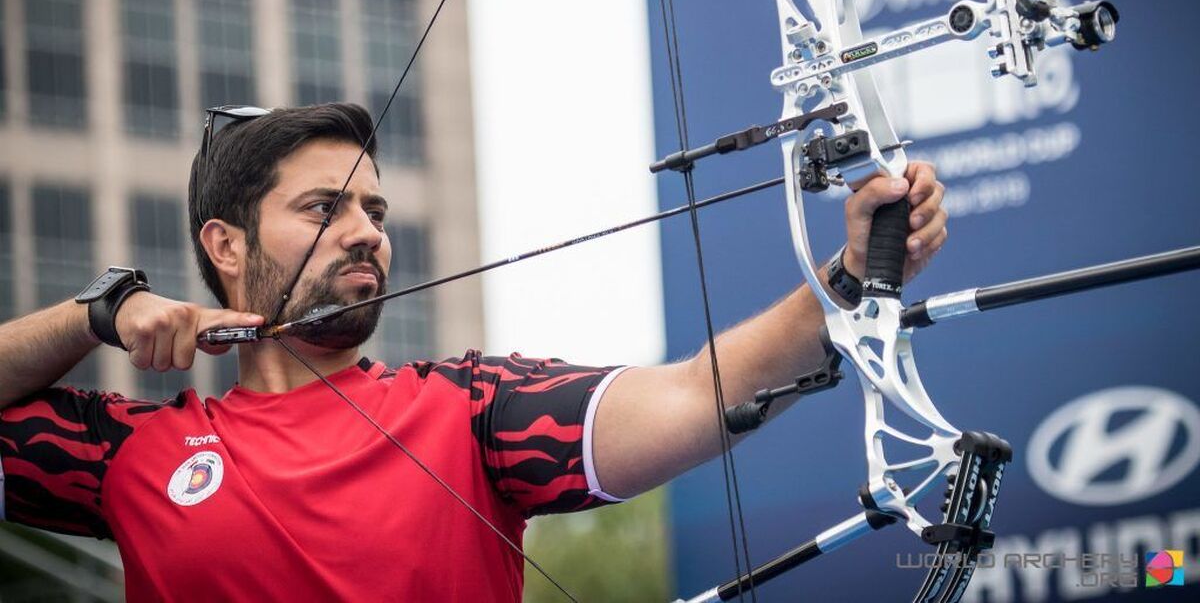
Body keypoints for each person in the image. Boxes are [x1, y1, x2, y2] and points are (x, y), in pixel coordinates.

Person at [0, 103, 947, 601]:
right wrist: (97, 315)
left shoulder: (469, 407)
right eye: (324, 208)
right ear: (226, 247)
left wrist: (845, 278)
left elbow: (696, 397)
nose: (366, 230)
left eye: (375, 209)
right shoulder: (128, 455)